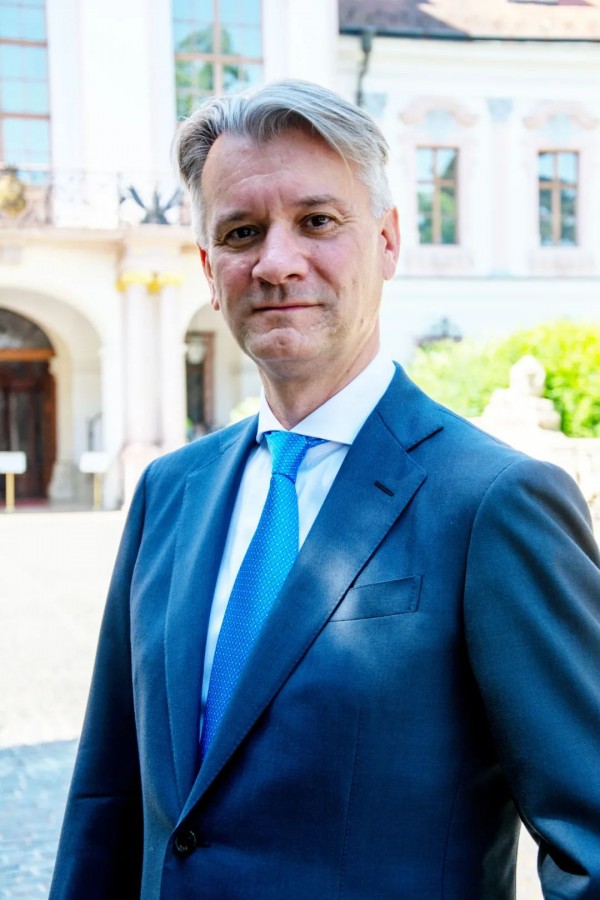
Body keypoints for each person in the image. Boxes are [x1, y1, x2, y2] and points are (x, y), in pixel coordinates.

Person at [50, 81, 600, 899]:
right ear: (209, 270)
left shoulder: (495, 502)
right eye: (241, 232)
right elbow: (108, 798)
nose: (276, 263)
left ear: (386, 241)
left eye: (316, 221)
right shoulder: (169, 492)